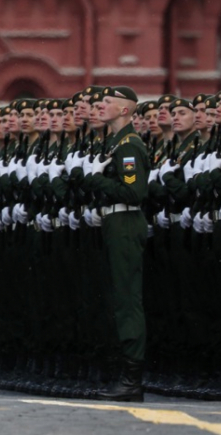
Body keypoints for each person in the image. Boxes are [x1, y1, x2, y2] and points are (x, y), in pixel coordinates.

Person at [80, 86, 149, 402]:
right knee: (115, 297)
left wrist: (97, 180)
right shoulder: (114, 143)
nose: (100, 105)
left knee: (126, 298)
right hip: (112, 220)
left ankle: (131, 379)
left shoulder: (129, 145)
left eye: (108, 101)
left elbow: (135, 193)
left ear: (125, 110)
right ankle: (122, 373)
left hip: (124, 222)